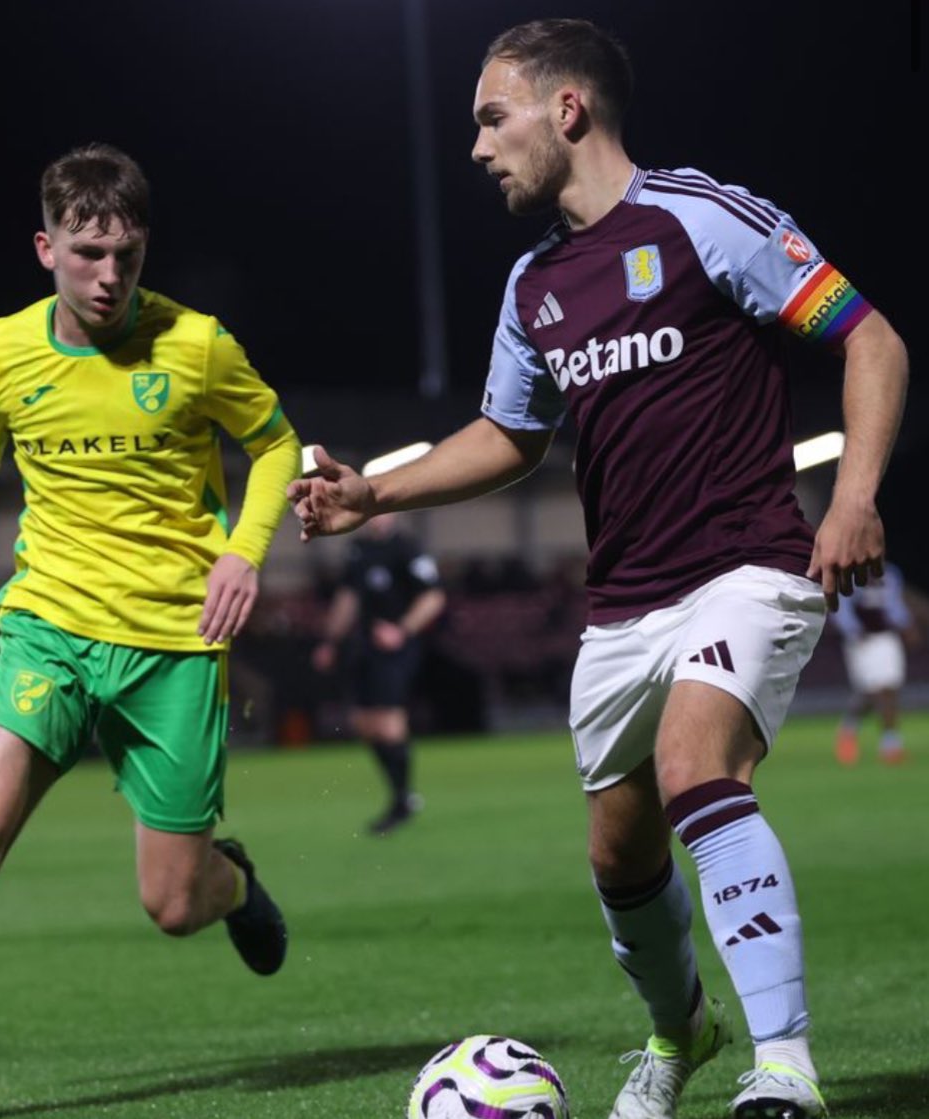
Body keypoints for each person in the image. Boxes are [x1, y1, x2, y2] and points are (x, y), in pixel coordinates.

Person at [289, 19, 907, 1119]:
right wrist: (373, 493)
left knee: (696, 767)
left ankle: (785, 1066)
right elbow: (508, 436)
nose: (478, 148)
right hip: (623, 603)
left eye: (492, 117)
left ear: (566, 109)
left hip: (748, 561)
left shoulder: (701, 219)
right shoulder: (535, 285)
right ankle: (682, 1036)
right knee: (620, 856)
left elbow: (871, 339)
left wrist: (854, 496)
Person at [0, 143, 301, 1119]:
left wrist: (244, 550)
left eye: (126, 252)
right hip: (48, 631)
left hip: (174, 642)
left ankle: (233, 885)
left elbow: (278, 444)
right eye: (88, 251)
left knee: (171, 907)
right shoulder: (2, 353)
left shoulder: (199, 345)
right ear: (47, 247)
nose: (110, 274)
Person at [311, 512, 447, 834]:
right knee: (362, 722)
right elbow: (348, 598)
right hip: (363, 647)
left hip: (396, 648)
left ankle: (403, 798)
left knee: (388, 722)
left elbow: (434, 596)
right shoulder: (358, 549)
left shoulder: (408, 548)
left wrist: (402, 629)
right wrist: (330, 640)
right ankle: (402, 796)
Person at [830, 561, 919, 765]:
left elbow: (894, 603)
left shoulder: (890, 574)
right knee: (869, 692)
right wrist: (852, 629)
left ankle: (891, 744)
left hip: (886, 637)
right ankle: (848, 728)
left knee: (889, 688)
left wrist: (905, 625)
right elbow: (841, 607)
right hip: (862, 640)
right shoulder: (850, 575)